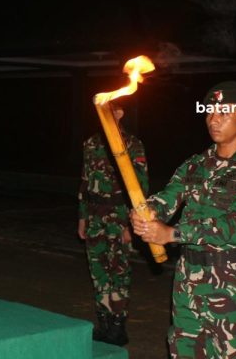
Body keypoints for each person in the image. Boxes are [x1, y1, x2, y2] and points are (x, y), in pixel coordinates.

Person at [132, 81, 236, 358]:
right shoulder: (194, 165)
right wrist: (145, 211)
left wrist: (172, 234)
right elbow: (167, 198)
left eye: (223, 112)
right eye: (210, 111)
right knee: (184, 350)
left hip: (231, 284)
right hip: (188, 281)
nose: (213, 119)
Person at [78, 101, 149, 346]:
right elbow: (85, 183)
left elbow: (141, 187)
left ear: (119, 113)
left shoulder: (132, 145)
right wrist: (82, 217)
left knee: (119, 270)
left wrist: (133, 224)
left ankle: (118, 325)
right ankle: (104, 322)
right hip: (96, 216)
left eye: (110, 111)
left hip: (120, 216)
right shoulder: (91, 144)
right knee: (98, 271)